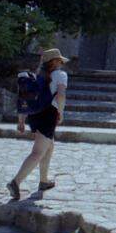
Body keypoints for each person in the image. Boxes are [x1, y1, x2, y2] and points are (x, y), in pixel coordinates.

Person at [7, 48, 69, 201]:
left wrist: (21, 120)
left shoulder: (37, 76)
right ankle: (15, 182)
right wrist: (61, 113)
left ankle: (43, 181)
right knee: (37, 152)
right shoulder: (60, 75)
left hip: (34, 116)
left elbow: (24, 99)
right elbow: (61, 95)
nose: (62, 63)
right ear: (53, 62)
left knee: (49, 146)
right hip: (48, 116)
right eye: (59, 60)